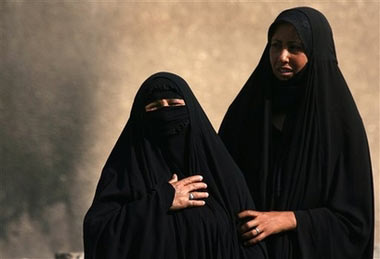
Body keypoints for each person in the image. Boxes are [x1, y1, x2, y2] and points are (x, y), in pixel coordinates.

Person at [219, 7, 374, 259]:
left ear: (315, 53)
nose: (282, 56)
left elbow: (355, 224)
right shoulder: (247, 112)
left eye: (295, 47)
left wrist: (291, 220)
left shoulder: (339, 126)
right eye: (275, 45)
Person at [83, 72, 267, 258]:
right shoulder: (126, 172)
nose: (165, 114)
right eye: (154, 107)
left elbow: (251, 242)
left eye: (174, 105)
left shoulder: (222, 174)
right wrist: (161, 200)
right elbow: (99, 233)